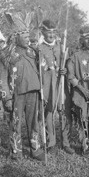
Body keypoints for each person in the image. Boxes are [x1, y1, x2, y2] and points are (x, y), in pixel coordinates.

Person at [0, 11, 45, 161]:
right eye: (24, 37)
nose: (27, 39)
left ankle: (35, 149)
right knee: (16, 122)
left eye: (28, 37)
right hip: (16, 94)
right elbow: (2, 79)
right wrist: (6, 98)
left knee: (34, 122)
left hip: (33, 91)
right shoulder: (6, 55)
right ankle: (16, 150)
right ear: (16, 37)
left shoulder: (33, 52)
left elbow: (41, 69)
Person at [38, 20, 66, 153]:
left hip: (57, 85)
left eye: (53, 32)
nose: (51, 35)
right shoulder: (39, 48)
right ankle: (45, 141)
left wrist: (63, 70)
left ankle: (58, 142)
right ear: (43, 32)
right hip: (45, 85)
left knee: (57, 111)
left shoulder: (60, 46)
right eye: (48, 32)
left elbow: (63, 64)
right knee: (45, 112)